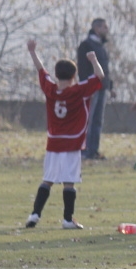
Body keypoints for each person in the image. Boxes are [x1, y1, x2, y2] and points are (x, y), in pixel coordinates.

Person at [23, 39, 103, 230]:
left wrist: (33, 52)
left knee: (47, 180)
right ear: (74, 75)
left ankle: (35, 214)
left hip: (53, 143)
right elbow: (100, 76)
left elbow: (41, 71)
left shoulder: (50, 89)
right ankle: (68, 219)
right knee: (69, 182)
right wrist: (93, 60)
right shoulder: (79, 91)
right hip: (72, 143)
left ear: (57, 74)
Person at [76, 18, 112, 161]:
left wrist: (111, 86)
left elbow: (106, 70)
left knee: (97, 121)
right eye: (105, 27)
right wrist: (86, 86)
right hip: (91, 88)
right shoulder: (86, 45)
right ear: (97, 29)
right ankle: (84, 150)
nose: (107, 30)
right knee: (88, 120)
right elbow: (83, 68)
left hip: (102, 88)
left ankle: (93, 150)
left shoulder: (101, 47)